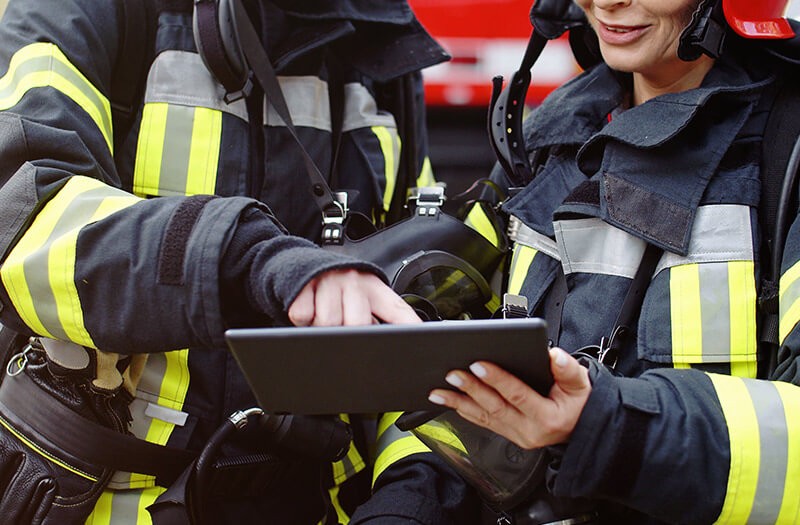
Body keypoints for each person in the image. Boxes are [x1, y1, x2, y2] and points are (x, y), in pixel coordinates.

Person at [0, 0, 480, 523]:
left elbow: (413, 317)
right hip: (108, 498)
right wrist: (246, 259)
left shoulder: (379, 44)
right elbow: (25, 215)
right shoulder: (81, 11)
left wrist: (410, 497)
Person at [426, 0, 800, 523]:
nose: (608, 0)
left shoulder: (788, 150)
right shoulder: (549, 133)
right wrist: (411, 499)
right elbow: (448, 351)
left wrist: (613, 428)